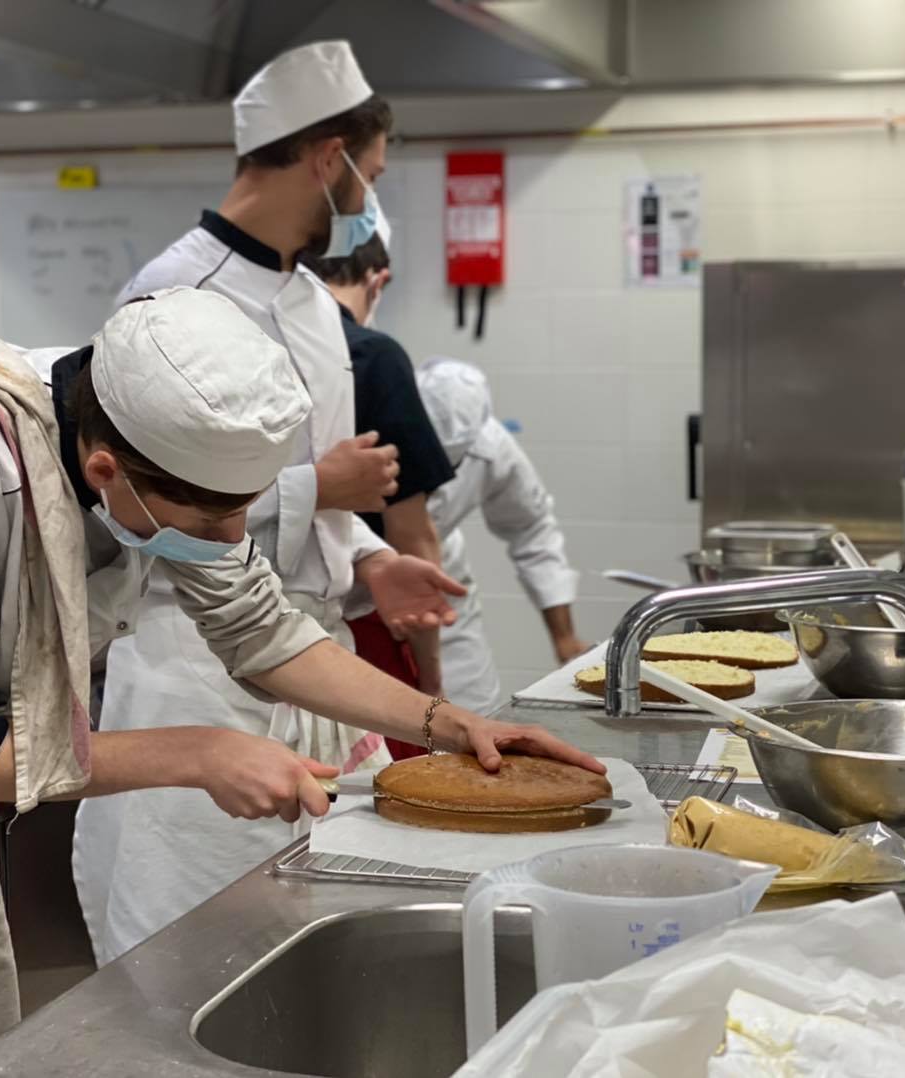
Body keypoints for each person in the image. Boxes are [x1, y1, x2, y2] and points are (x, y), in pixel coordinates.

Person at [0, 289, 600, 1076]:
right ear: (104, 470)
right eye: (211, 518)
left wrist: (448, 724)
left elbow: (260, 630)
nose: (225, 536)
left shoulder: (145, 442)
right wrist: (199, 752)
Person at [74, 39, 441, 963]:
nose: (365, 201)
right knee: (186, 939)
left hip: (297, 651)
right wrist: (322, 484)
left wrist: (367, 557)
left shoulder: (316, 306)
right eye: (369, 176)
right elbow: (157, 496)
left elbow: (300, 493)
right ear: (330, 159)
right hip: (190, 664)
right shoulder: (173, 293)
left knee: (301, 937)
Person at [300, 231, 455, 757]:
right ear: (377, 279)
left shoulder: (258, 348)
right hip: (363, 628)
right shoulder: (373, 357)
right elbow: (413, 535)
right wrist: (430, 679)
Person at [417, 357, 590, 714]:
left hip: (445, 593)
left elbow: (532, 529)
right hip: (360, 599)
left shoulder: (491, 445)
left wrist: (564, 638)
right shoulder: (364, 427)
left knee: (472, 715)